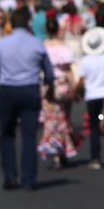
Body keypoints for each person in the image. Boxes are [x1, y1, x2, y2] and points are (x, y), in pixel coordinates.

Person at [0, 8, 54, 189]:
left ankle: (10, 175)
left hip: (8, 91)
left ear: (11, 24)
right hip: (30, 90)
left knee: (7, 134)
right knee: (29, 136)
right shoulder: (37, 43)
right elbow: (49, 73)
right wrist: (48, 89)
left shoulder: (3, 44)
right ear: (28, 23)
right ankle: (29, 178)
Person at [38, 14, 82, 168]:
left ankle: (55, 151)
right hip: (63, 85)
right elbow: (69, 70)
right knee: (63, 118)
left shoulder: (42, 47)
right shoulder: (64, 48)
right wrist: (75, 88)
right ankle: (62, 150)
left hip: (47, 86)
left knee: (51, 120)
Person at [76, 27, 104, 168]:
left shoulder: (85, 61)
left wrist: (76, 92)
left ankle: (95, 158)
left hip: (92, 97)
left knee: (94, 127)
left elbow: (81, 80)